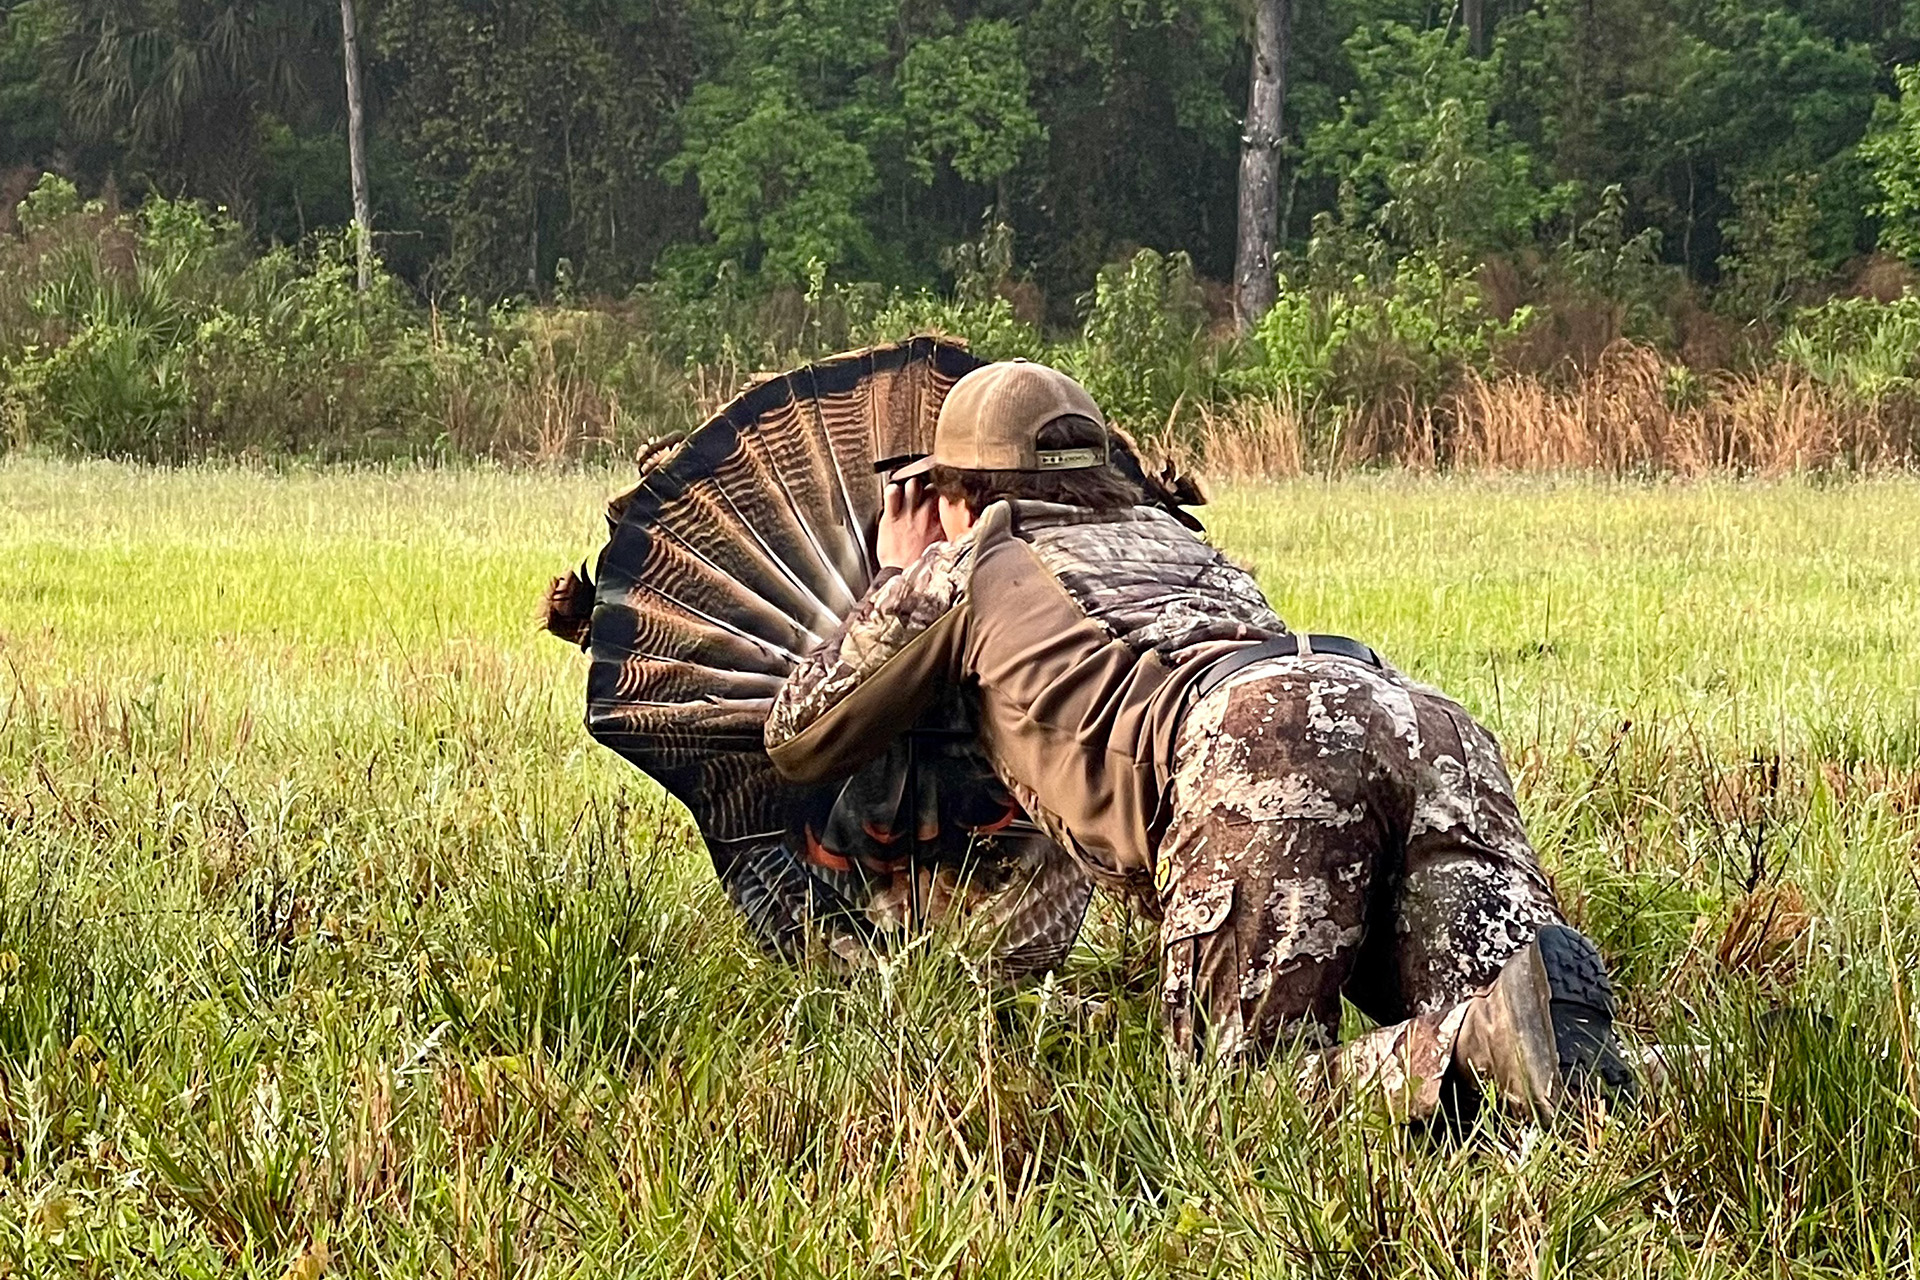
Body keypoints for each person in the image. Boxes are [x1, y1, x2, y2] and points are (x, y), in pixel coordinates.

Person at [763, 360, 1634, 1119]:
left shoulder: (968, 565)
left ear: (956, 495)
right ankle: (1626, 1062)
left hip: (1261, 744)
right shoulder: (1176, 535)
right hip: (1422, 723)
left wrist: (898, 571)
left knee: (1240, 1098)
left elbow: (800, 736)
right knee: (1552, 1051)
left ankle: (1475, 1044)